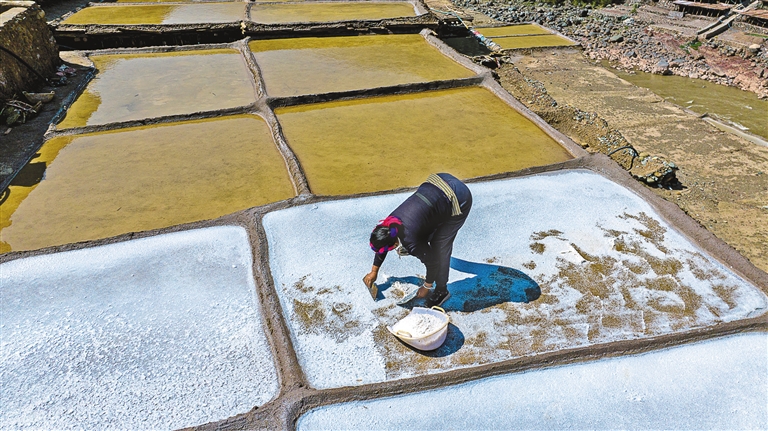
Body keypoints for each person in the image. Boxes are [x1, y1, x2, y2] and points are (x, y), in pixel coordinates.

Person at [363, 173, 472, 307]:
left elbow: (433, 262)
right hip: (439, 180)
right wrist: (374, 271)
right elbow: (382, 244)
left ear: (395, 244)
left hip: (458, 196)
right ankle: (422, 246)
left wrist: (427, 286)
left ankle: (442, 291)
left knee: (439, 247)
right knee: (422, 237)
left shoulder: (410, 240)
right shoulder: (389, 223)